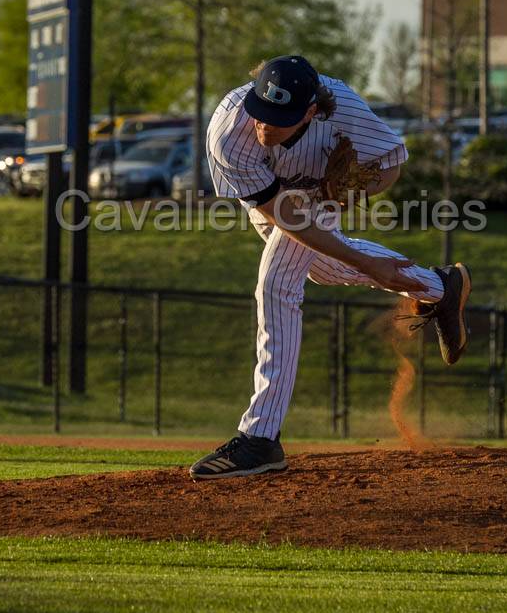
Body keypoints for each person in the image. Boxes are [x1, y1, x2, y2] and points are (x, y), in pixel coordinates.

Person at [189, 55, 471, 480]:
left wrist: (352, 191)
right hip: (278, 202)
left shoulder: (344, 106)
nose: (264, 126)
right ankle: (438, 286)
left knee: (277, 284)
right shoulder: (229, 133)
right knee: (323, 267)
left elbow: (392, 161)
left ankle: (259, 438)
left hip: (320, 191)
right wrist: (367, 264)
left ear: (310, 111)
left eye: (278, 119)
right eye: (261, 111)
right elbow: (283, 214)